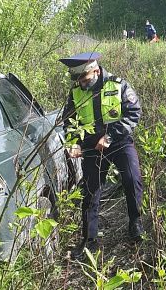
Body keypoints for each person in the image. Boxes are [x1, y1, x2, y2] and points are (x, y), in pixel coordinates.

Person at [59, 52, 144, 259]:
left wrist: (109, 136)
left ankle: (136, 224)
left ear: (96, 70)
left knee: (132, 179)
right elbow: (69, 122)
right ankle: (89, 240)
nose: (82, 84)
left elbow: (134, 112)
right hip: (91, 146)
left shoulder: (118, 85)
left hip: (119, 141)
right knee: (90, 191)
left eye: (85, 79)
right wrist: (72, 144)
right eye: (78, 80)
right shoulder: (76, 92)